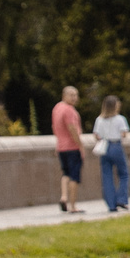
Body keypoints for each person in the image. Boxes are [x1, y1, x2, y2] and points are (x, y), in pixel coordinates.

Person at [92, 95, 130, 212]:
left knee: (107, 176)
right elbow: (124, 133)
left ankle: (111, 204)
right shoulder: (120, 119)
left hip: (105, 147)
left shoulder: (99, 119)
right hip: (116, 145)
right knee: (124, 174)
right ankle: (121, 198)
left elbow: (96, 135)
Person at [51, 85, 85, 213]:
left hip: (61, 147)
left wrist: (58, 142)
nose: (74, 98)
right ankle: (73, 206)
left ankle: (64, 197)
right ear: (64, 95)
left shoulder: (57, 108)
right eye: (71, 95)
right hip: (72, 147)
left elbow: (54, 126)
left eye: (76, 95)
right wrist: (80, 145)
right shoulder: (69, 110)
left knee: (65, 173)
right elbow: (72, 128)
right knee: (74, 176)